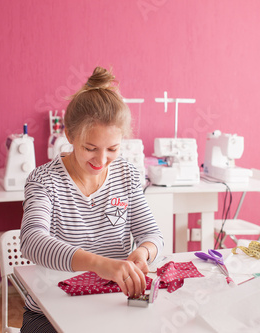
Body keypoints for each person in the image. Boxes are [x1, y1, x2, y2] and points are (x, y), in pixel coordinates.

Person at [20, 66, 163, 332]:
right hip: (51, 311)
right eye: (90, 148)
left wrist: (144, 252)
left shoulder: (128, 175)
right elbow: (32, 242)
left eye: (112, 149)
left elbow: (152, 234)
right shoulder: (44, 181)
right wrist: (100, 265)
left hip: (111, 305)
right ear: (71, 136)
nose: (101, 160)